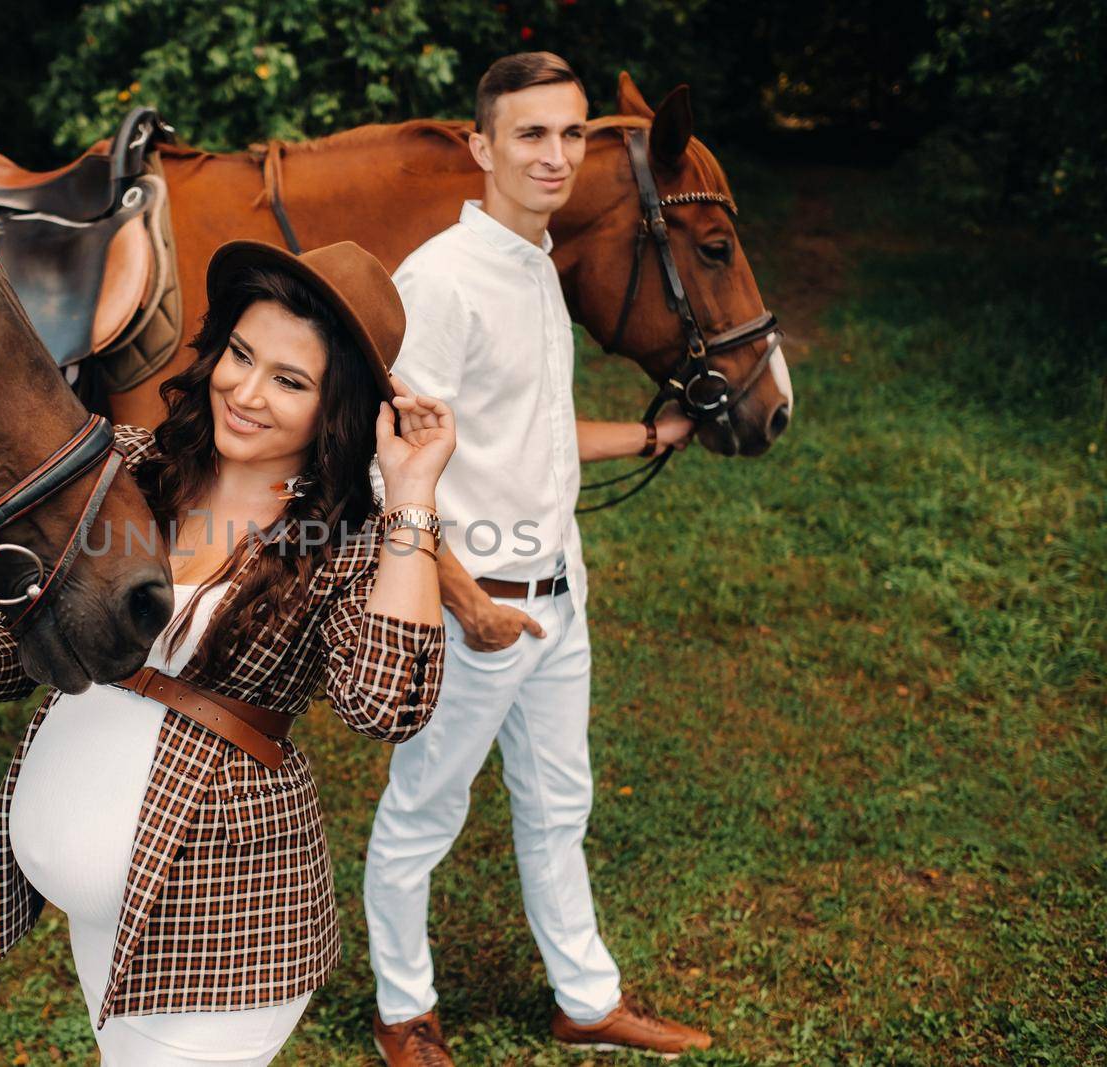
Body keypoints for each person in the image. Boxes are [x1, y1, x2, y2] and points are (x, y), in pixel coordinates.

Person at [0, 239, 455, 1066]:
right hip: (110, 917)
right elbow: (50, 644)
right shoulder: (136, 473)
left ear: (338, 409)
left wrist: (413, 494)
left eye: (289, 381)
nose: (245, 392)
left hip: (222, 923)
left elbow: (386, 704)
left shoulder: (349, 546)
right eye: (241, 355)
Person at [361, 52, 713, 1063]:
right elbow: (392, 462)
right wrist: (463, 599)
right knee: (422, 812)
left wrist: (651, 436)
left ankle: (584, 995)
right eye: (530, 133)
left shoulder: (534, 265)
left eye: (570, 133)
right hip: (475, 609)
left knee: (561, 805)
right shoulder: (440, 280)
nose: (555, 154)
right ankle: (403, 1010)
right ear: (481, 146)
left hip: (560, 600)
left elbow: (527, 426)